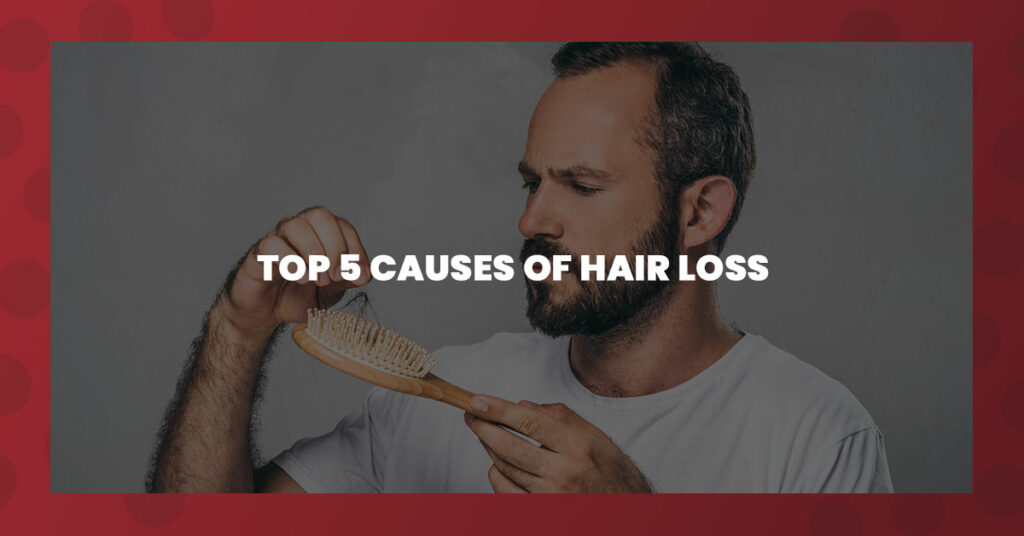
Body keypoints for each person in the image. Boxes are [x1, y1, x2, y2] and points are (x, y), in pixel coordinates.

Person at [147, 42, 893, 493]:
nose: (530, 221)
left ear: (700, 213)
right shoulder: (427, 402)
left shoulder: (816, 438)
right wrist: (236, 330)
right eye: (532, 182)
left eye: (582, 185)